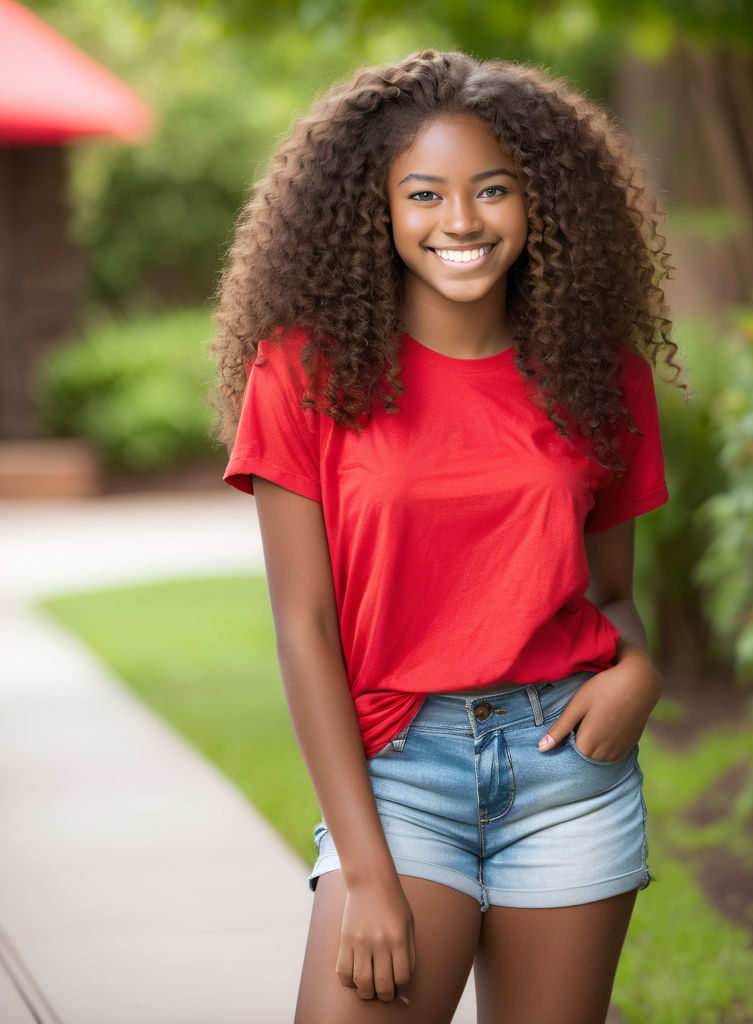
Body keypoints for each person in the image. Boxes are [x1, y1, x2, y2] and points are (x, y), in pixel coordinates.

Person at [212, 48, 681, 1024]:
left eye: (492, 191)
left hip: (570, 776)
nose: (461, 222)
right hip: (397, 775)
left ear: (540, 204)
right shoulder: (303, 373)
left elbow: (609, 595)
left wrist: (638, 669)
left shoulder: (599, 375)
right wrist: (367, 870)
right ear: (373, 210)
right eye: (423, 193)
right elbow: (304, 629)